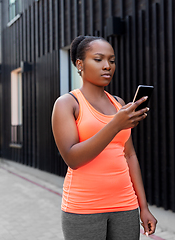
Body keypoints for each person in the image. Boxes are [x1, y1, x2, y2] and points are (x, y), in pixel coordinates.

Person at [51, 35, 157, 240]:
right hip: (84, 207)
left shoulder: (119, 104)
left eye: (112, 60)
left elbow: (130, 156)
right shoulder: (67, 104)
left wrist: (143, 207)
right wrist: (116, 124)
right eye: (98, 59)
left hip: (125, 205)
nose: (107, 66)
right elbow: (73, 159)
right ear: (80, 64)